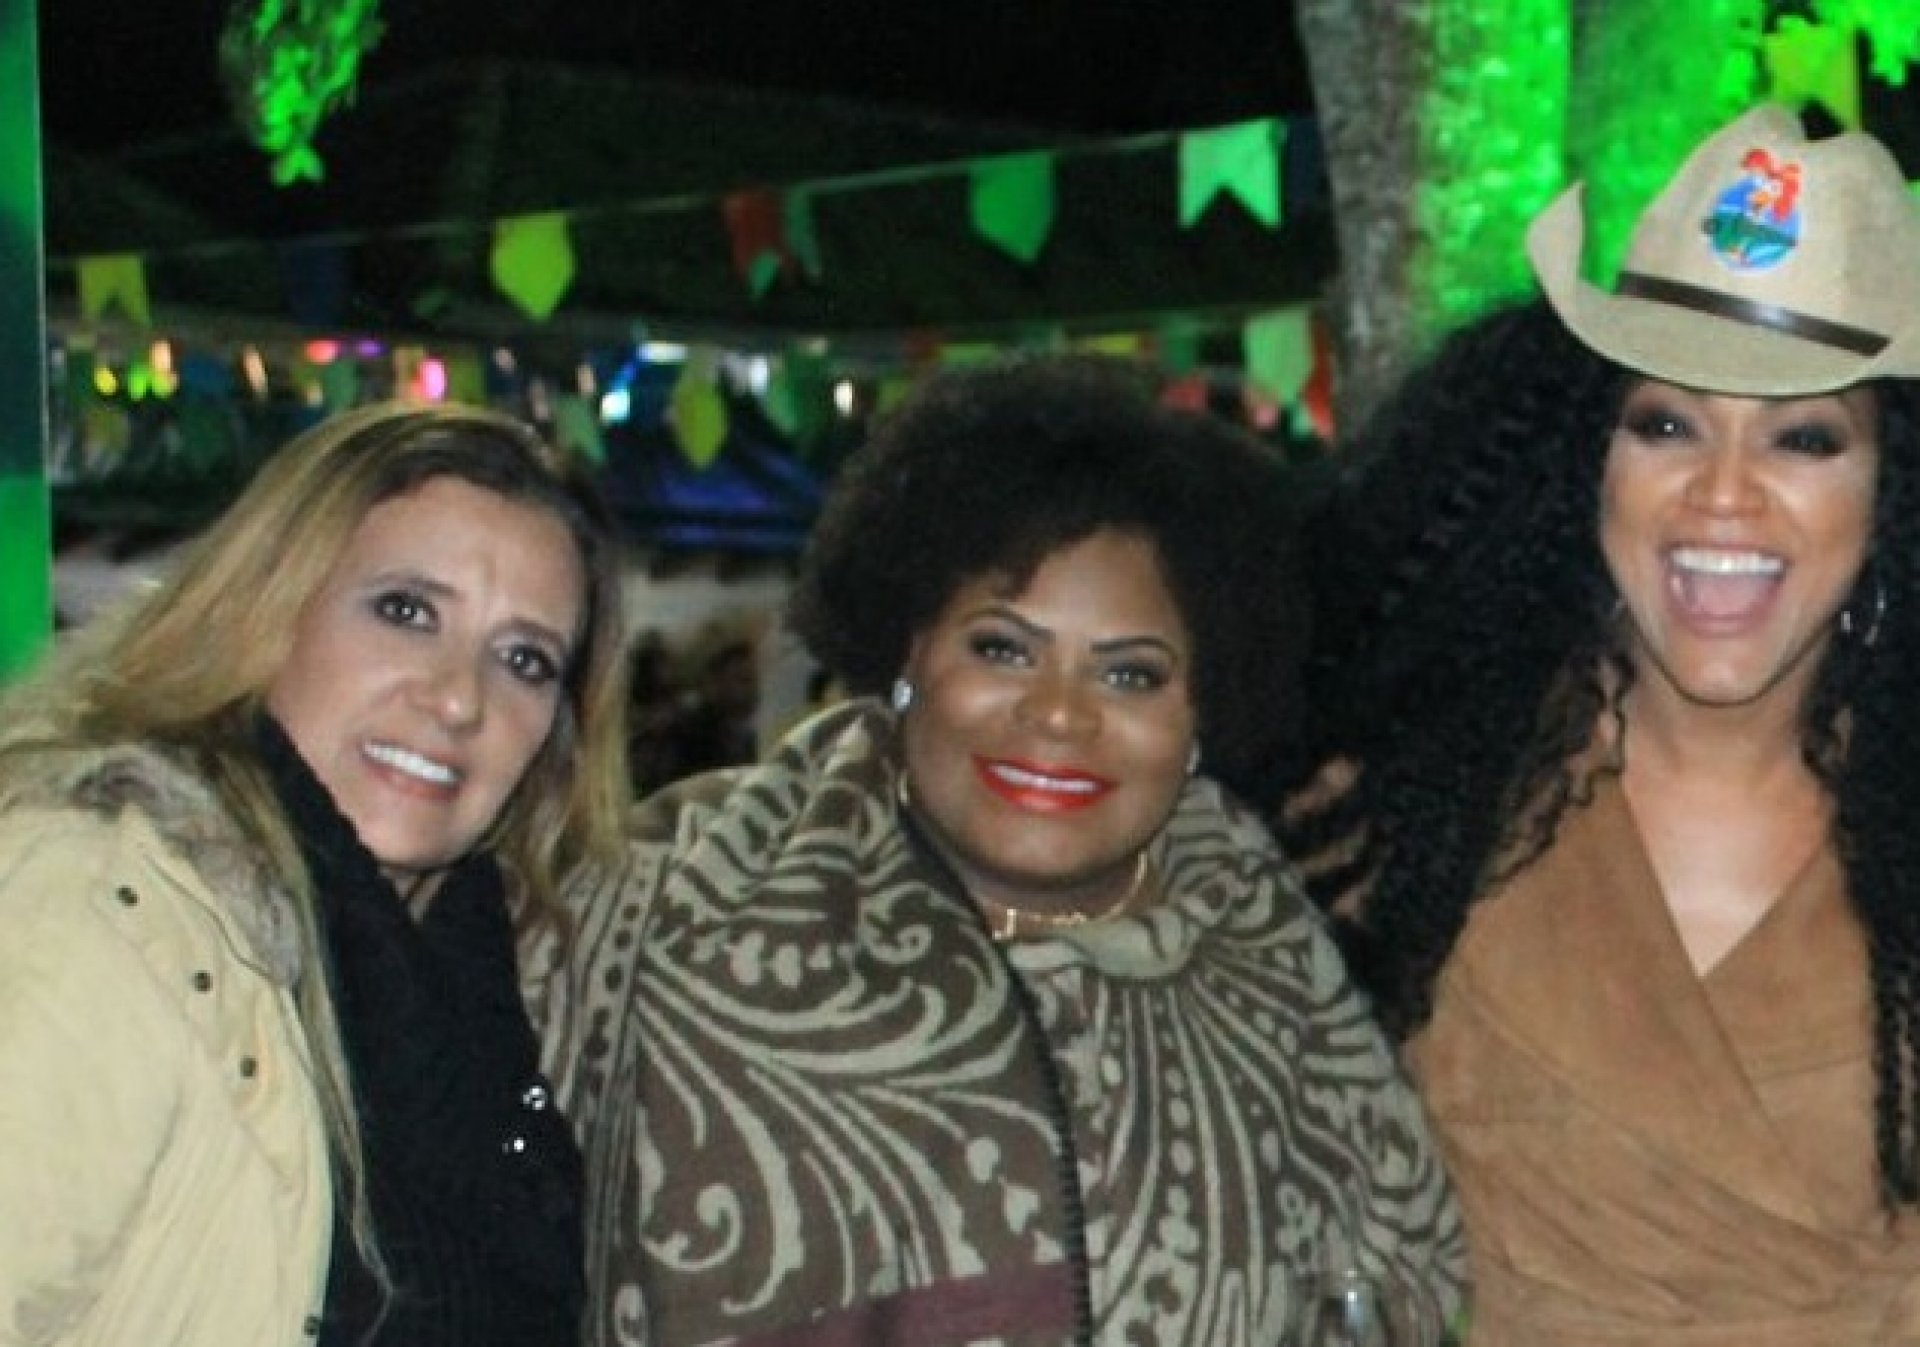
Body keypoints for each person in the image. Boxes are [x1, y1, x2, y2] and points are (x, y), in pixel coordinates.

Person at [534, 354, 1465, 1347]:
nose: (1060, 713)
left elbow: (1403, 1285)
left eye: (1131, 675)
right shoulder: (668, 905)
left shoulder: (1279, 973)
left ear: (1204, 711)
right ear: (907, 655)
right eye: (1003, 649)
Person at [1286, 105, 1920, 1343]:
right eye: (1666, 425)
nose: (1723, 494)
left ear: (1890, 497)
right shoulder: (1400, 815)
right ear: (1584, 467)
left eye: (1803, 438)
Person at [0, 401, 630, 1347]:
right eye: (406, 611)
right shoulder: (106, 913)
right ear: (266, 609)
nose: (460, 698)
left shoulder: (483, 977)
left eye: (524, 659)